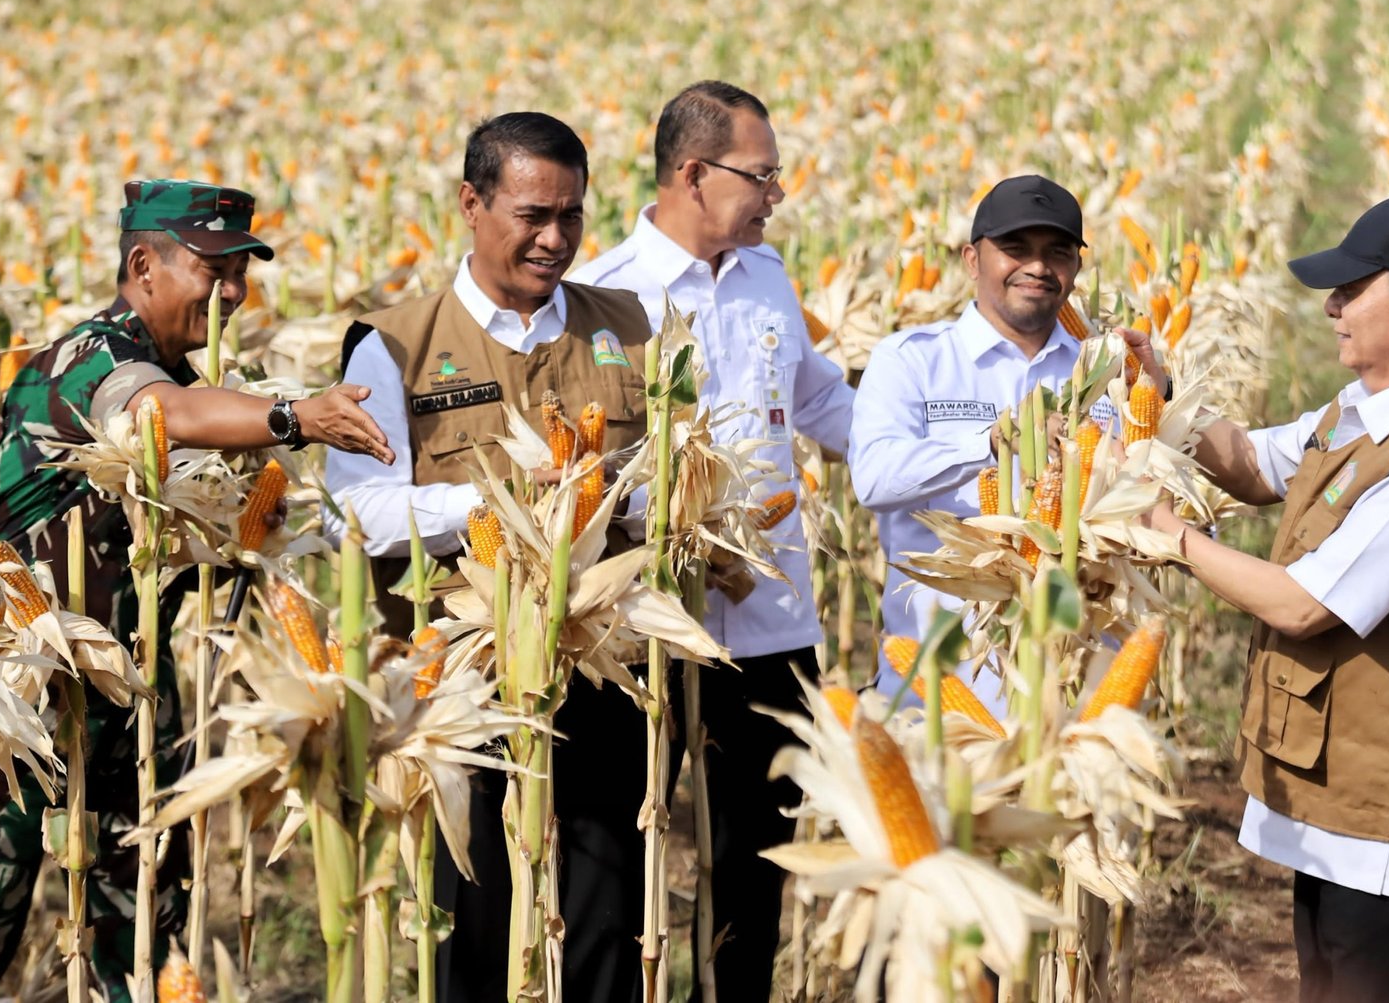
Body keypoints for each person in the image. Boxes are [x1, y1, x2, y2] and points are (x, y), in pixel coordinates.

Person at [0, 178, 392, 1001]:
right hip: (19, 694)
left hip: (127, 700)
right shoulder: (89, 358)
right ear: (144, 263)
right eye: (217, 269)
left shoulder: (199, 376)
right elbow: (157, 414)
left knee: (142, 933)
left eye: (243, 272)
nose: (235, 293)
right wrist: (290, 416)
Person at [1130, 194, 1389, 1003]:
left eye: (1351, 288)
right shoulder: (1363, 413)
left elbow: (1306, 603)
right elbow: (1256, 463)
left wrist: (1176, 539)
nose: (1332, 307)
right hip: (1345, 813)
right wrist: (1162, 398)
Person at [325, 112, 657, 1003]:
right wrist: (500, 502)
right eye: (531, 215)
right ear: (472, 205)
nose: (555, 239)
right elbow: (352, 509)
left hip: (598, 667)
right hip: (460, 683)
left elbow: (662, 474)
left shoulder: (626, 325)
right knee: (473, 933)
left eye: (572, 216)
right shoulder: (394, 344)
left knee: (606, 922)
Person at [573, 79, 854, 1000]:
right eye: (762, 176)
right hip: (646, 625)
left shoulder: (768, 276)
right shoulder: (607, 296)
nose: (776, 194)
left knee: (754, 862)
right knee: (622, 847)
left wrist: (928, 456)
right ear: (693, 174)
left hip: (770, 621)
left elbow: (814, 397)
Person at [848, 175, 1088, 716]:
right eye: (1015, 249)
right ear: (972, 260)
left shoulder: (1102, 375)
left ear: (1075, 268)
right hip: (940, 694)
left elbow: (1170, 517)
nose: (1038, 267)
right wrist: (995, 442)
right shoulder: (912, 360)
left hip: (1070, 698)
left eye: (1058, 252)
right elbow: (875, 478)